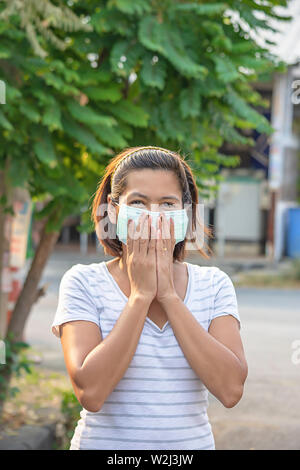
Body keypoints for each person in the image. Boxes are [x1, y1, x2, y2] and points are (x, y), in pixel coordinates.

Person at [51, 146, 248, 450]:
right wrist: (140, 297)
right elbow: (91, 392)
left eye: (167, 203)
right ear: (113, 210)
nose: (153, 216)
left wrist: (168, 295)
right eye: (139, 203)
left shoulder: (214, 284)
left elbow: (231, 389)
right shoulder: (83, 282)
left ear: (186, 211)